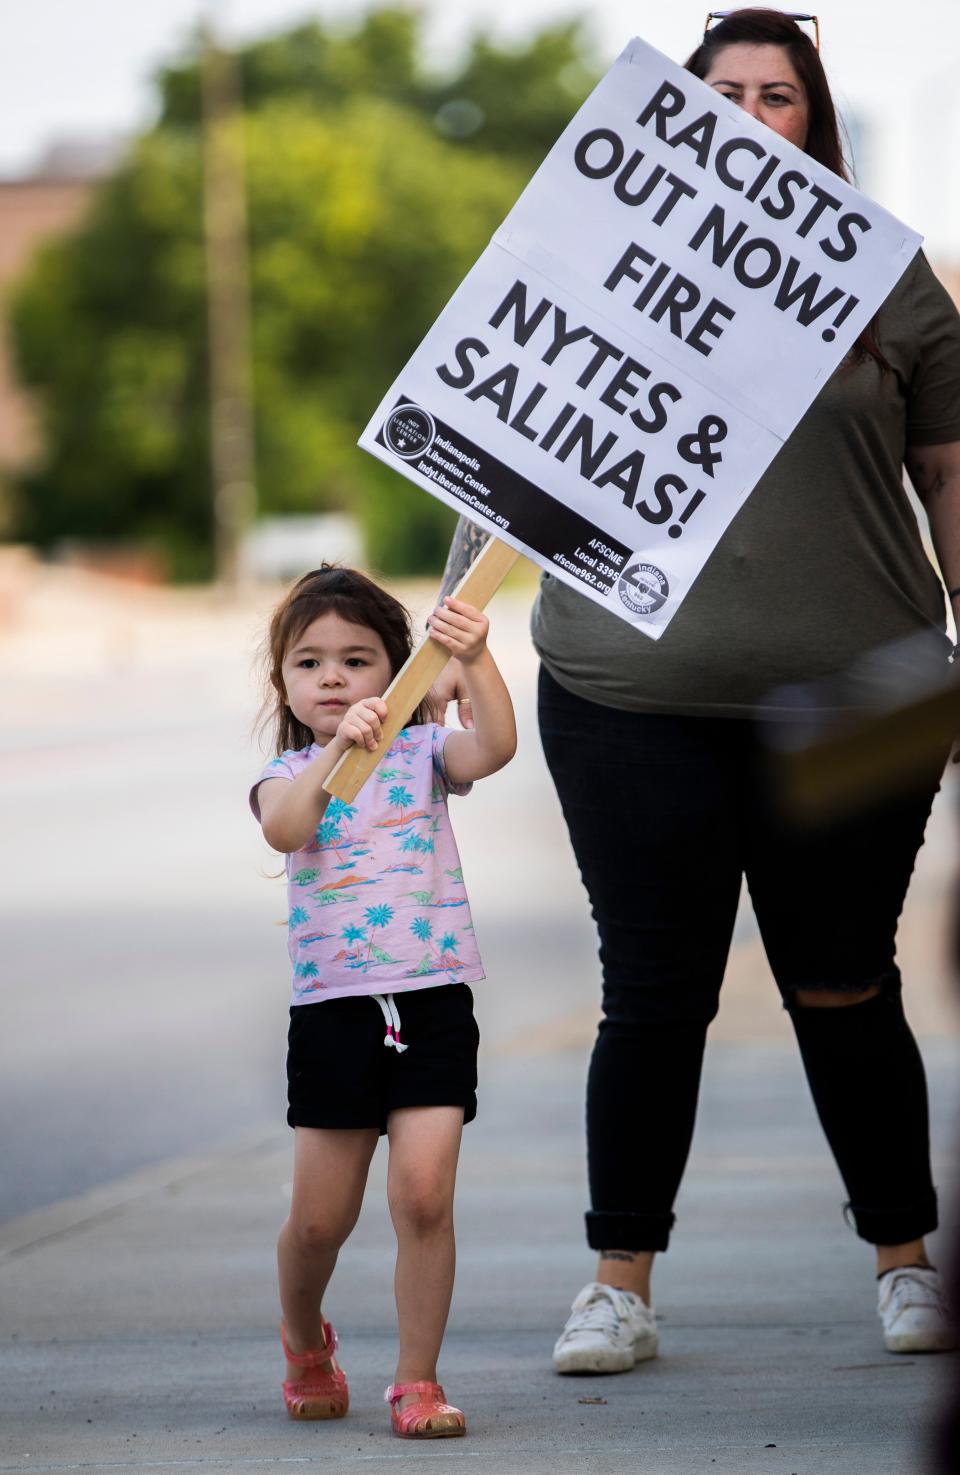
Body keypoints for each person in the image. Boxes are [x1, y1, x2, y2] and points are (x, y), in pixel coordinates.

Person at [435, 8, 960, 1374]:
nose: (746, 112)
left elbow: (951, 475)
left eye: (777, 94)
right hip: (628, 694)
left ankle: (909, 1263)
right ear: (671, 121)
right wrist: (452, 644)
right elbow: (508, 443)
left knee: (845, 981)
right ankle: (619, 1284)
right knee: (653, 990)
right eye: (718, 91)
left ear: (812, 119)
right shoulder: (590, 267)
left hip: (864, 694)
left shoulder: (891, 281)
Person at [250, 565, 516, 1435]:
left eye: (358, 660)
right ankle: (303, 1337)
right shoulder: (287, 771)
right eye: (310, 662)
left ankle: (417, 1379)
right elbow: (287, 827)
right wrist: (337, 751)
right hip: (335, 1013)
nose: (333, 677)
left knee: (425, 1194)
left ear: (396, 672)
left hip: (432, 998)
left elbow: (496, 747)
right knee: (322, 1221)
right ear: (284, 683)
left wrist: (473, 659)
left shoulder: (426, 754)